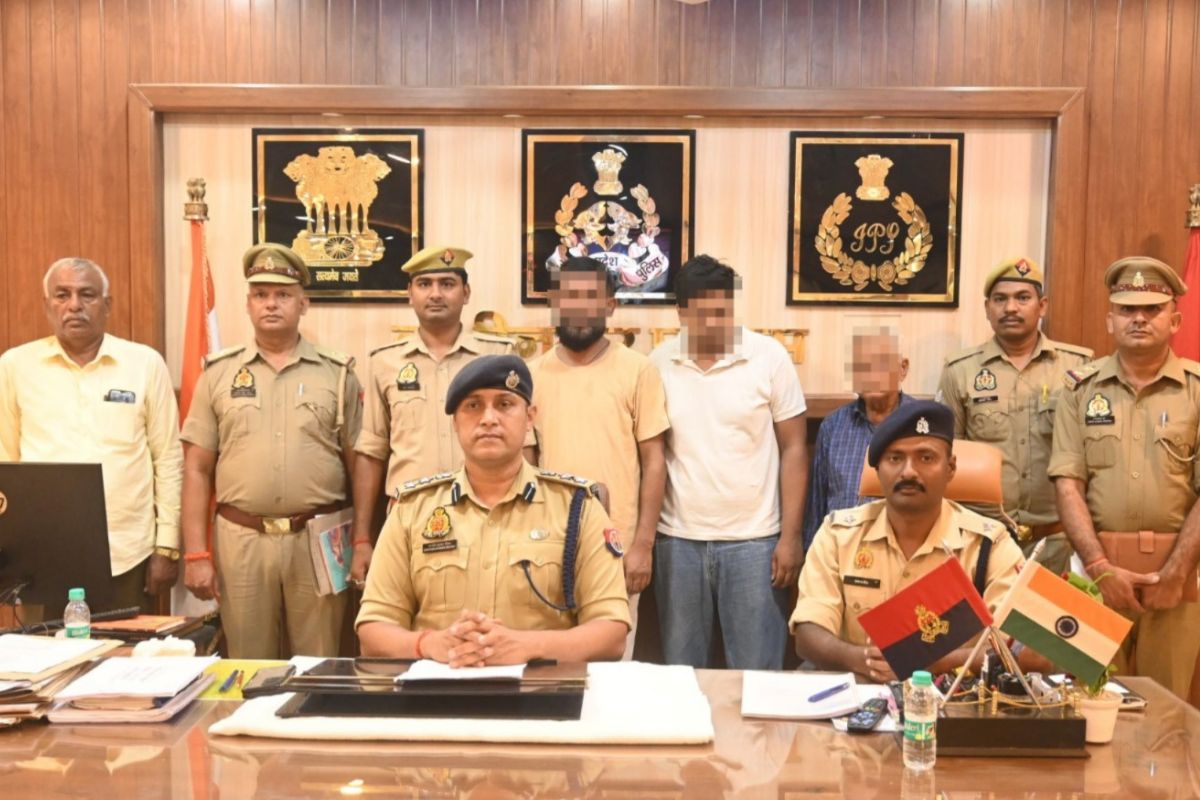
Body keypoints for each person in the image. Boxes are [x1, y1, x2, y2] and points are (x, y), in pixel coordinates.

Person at [356, 355, 630, 664]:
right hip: (440, 684)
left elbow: (611, 633)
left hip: (542, 686)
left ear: (530, 418)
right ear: (455, 422)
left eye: (504, 404)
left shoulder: (577, 508)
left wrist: (526, 646)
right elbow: (373, 630)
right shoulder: (412, 509)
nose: (488, 418)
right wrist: (429, 644)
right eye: (473, 406)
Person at [180, 243, 362, 658]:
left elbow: (359, 467)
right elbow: (196, 469)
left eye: (283, 294)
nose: (271, 304)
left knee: (320, 663)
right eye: (260, 294)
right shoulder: (219, 374)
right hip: (242, 539)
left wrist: (364, 539)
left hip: (319, 540)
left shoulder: (337, 374)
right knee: (248, 662)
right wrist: (196, 553)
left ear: (304, 304)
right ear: (248, 304)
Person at [1049, 256, 1200, 699]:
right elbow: (1067, 483)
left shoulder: (1197, 391)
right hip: (1096, 577)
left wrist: (1176, 573)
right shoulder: (1079, 390)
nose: (1139, 318)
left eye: (1152, 309)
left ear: (1175, 321)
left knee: (1166, 710)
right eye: (1126, 308)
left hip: (1178, 578)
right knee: (1091, 707)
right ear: (1109, 320)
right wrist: (1099, 569)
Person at [649, 255, 807, 670]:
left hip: (756, 542)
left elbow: (794, 448)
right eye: (703, 313)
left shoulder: (769, 357)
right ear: (681, 312)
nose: (715, 323)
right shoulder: (657, 364)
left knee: (758, 676)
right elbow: (651, 455)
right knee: (683, 677)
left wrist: (790, 537)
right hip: (678, 542)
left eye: (723, 311)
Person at [791, 401, 1024, 682]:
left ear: (950, 468)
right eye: (895, 459)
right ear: (877, 469)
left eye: (926, 458)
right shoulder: (838, 534)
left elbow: (1017, 648)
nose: (909, 472)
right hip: (858, 691)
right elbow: (808, 633)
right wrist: (862, 660)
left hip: (952, 696)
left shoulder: (989, 544)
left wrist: (928, 664)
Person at [0, 257, 182, 611]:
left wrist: (167, 546)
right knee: (44, 648)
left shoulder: (144, 364)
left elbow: (169, 460)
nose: (74, 305)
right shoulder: (14, 366)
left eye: (87, 295)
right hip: (41, 556)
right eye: (62, 295)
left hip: (128, 554)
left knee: (131, 647)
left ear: (107, 304)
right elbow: (5, 463)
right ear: (47, 305)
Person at [526, 256, 668, 658]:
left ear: (609, 305)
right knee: (551, 664)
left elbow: (654, 461)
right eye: (569, 297)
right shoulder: (530, 374)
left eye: (590, 297)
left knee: (611, 665)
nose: (579, 307)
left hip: (616, 547)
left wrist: (643, 545)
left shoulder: (638, 371)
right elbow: (526, 466)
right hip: (547, 544)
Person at [351, 245, 513, 587]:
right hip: (409, 515)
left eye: (447, 284)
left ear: (466, 293)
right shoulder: (384, 362)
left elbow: (521, 442)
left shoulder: (498, 357)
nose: (436, 294)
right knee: (411, 613)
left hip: (486, 511)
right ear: (410, 294)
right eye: (424, 284)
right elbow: (372, 450)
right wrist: (362, 537)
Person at [937, 257, 1093, 575]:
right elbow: (946, 457)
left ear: (1042, 305)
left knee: (1049, 611)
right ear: (987, 308)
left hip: (1056, 542)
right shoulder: (960, 371)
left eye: (1023, 298)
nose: (1011, 308)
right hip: (982, 539)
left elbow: (1092, 456)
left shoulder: (1078, 368)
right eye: (1000, 299)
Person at [804, 327, 914, 552]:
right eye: (862, 366)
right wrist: (810, 554)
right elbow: (817, 504)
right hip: (841, 552)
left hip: (905, 553)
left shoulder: (922, 422)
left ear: (903, 369)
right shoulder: (833, 426)